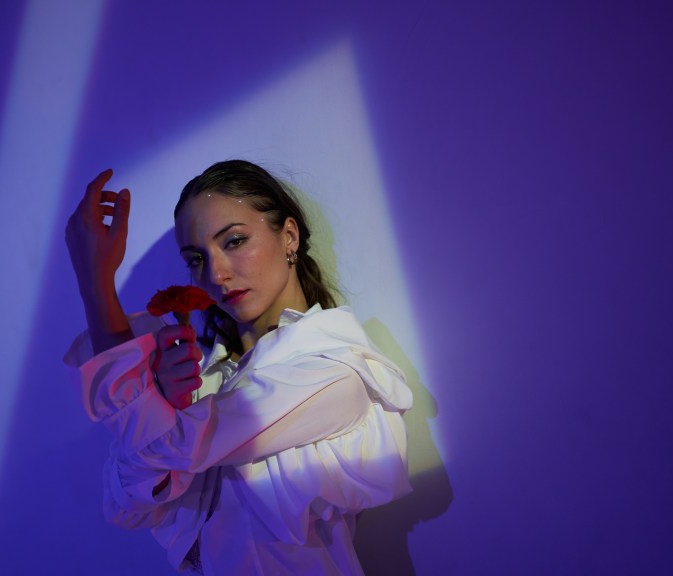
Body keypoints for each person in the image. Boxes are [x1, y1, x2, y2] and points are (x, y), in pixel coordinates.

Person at [64, 160, 413, 574]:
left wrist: (95, 281)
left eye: (234, 241)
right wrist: (164, 403)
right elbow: (125, 504)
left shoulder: (333, 369)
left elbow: (166, 445)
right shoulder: (205, 378)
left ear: (289, 236)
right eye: (196, 258)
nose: (215, 273)